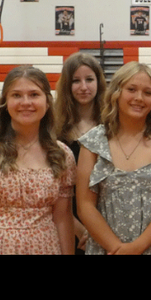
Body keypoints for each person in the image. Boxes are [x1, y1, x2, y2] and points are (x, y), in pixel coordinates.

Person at [0, 66, 76, 255]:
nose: (26, 102)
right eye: (16, 95)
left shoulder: (61, 154)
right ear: (6, 102)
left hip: (45, 248)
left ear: (48, 102)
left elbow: (62, 218)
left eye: (34, 94)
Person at [76, 62, 151, 255]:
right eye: (131, 89)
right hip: (107, 248)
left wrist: (137, 247)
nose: (139, 98)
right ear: (116, 93)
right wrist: (116, 248)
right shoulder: (93, 142)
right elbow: (85, 206)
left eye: (147, 93)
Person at [54, 52, 107, 254]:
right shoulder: (54, 129)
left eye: (89, 79)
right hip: (67, 217)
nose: (84, 87)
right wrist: (79, 229)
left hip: (107, 216)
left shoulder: (112, 125)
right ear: (67, 85)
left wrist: (99, 229)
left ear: (99, 82)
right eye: (76, 81)